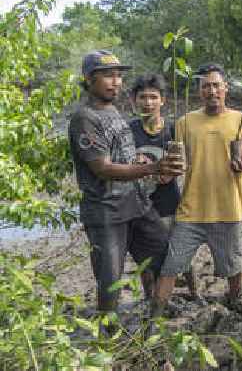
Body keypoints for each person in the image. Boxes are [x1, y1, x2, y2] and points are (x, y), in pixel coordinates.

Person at [68, 51, 179, 324]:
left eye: (118, 75)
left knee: (164, 256)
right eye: (107, 75)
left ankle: (155, 311)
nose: (115, 81)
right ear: (88, 79)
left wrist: (136, 161)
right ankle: (108, 335)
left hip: (137, 204)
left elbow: (121, 154)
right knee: (110, 279)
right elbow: (103, 168)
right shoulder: (85, 118)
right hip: (106, 212)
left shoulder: (114, 111)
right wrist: (152, 168)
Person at [151, 64, 242, 317]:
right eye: (206, 86)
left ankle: (234, 304)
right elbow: (175, 159)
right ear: (199, 90)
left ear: (225, 88)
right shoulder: (185, 123)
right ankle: (155, 314)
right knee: (171, 265)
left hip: (228, 209)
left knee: (232, 266)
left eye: (216, 85)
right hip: (191, 210)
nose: (212, 90)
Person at [129, 73, 198, 300]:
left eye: (153, 97)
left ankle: (193, 292)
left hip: (169, 201)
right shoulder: (129, 131)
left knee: (179, 251)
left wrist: (172, 171)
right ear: (134, 100)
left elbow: (188, 160)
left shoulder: (172, 129)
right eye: (143, 97)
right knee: (146, 257)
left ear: (162, 100)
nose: (148, 102)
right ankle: (151, 298)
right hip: (140, 204)